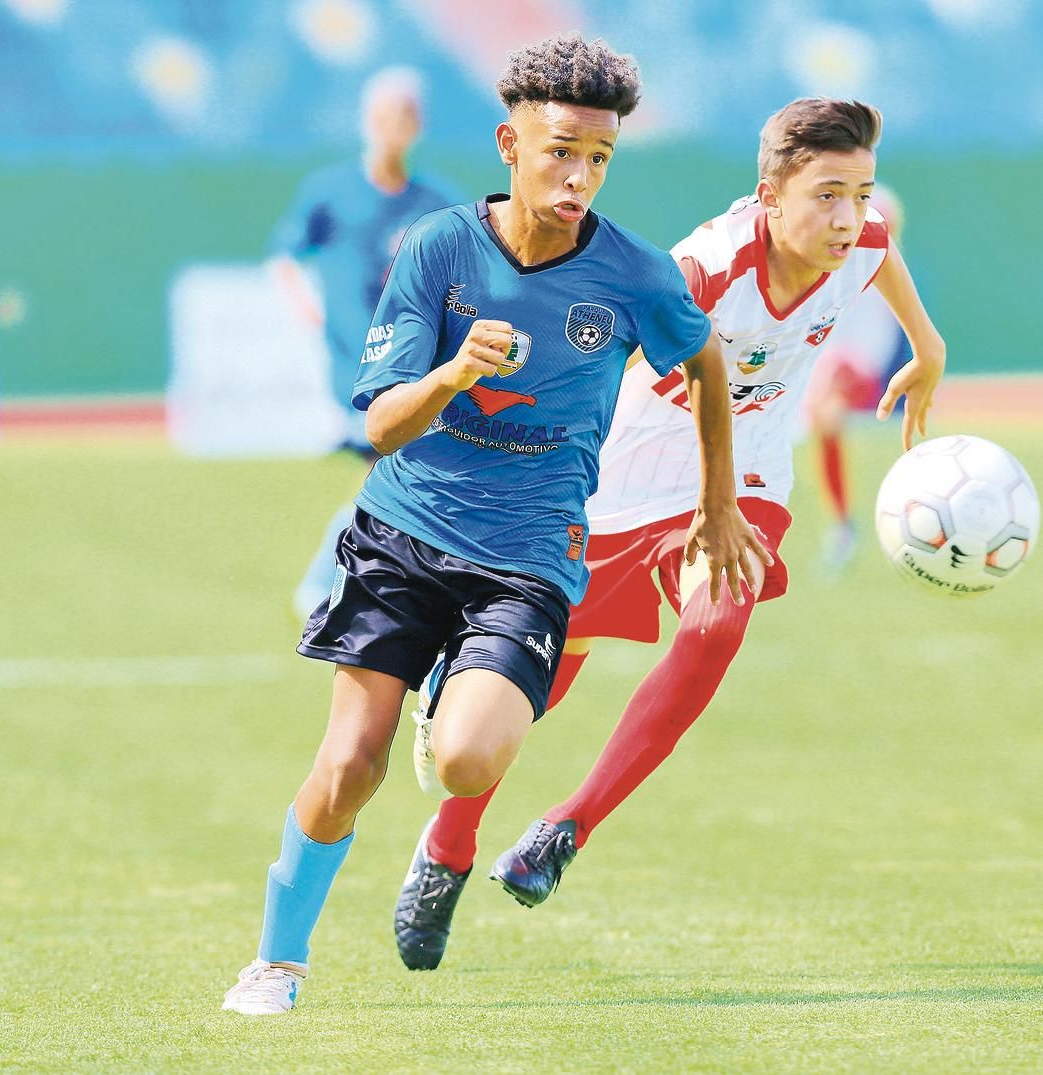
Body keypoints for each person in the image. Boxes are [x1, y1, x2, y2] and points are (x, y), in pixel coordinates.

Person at [222, 33, 767, 1016]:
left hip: (527, 560)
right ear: (509, 143)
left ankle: (455, 689)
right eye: (561, 150)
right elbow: (381, 424)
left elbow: (709, 364)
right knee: (350, 765)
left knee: (467, 759)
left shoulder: (636, 274)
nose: (580, 175)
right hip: (399, 536)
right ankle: (277, 960)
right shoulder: (438, 247)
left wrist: (717, 507)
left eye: (599, 158)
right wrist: (453, 372)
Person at [393, 97, 946, 972]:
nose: (849, 218)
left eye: (861, 194)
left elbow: (883, 255)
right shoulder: (705, 267)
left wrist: (929, 343)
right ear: (769, 193)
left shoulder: (863, 236)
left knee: (718, 622)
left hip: (748, 468)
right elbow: (602, 348)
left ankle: (562, 830)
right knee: (545, 674)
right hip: (632, 471)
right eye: (827, 196)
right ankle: (448, 847)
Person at [266, 66, 459, 619]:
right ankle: (326, 584)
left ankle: (348, 586)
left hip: (415, 365)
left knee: (401, 473)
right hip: (355, 365)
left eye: (405, 115)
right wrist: (308, 310)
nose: (393, 127)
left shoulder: (436, 200)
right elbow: (285, 257)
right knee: (397, 470)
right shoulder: (330, 193)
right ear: (365, 121)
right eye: (383, 115)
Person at [802, 185, 908, 572]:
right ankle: (841, 523)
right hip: (819, 352)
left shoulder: (879, 265)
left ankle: (844, 525)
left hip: (856, 355)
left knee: (825, 417)